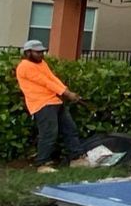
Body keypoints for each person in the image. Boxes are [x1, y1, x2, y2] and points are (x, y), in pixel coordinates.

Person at [16, 39, 84, 172]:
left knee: (70, 129)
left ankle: (76, 158)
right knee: (48, 134)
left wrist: (66, 91)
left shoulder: (42, 64)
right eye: (38, 52)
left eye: (42, 52)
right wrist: (67, 93)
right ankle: (42, 164)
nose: (41, 54)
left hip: (55, 101)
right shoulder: (24, 67)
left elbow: (53, 78)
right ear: (28, 52)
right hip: (41, 104)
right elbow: (46, 82)